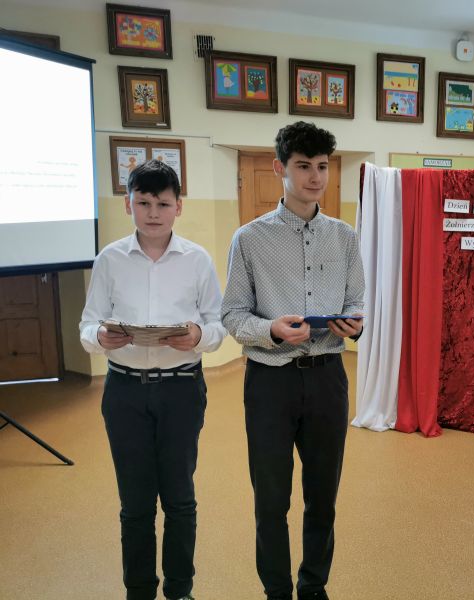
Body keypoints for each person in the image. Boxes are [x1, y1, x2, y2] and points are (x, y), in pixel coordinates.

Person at [222, 121, 365, 600]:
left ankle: (313, 586)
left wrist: (354, 323)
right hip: (270, 381)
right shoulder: (249, 239)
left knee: (323, 497)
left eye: (322, 166)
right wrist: (271, 330)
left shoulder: (344, 237)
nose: (315, 177)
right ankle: (277, 591)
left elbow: (356, 302)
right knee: (271, 500)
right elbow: (233, 314)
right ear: (279, 168)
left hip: (328, 378)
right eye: (304, 166)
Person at [79, 159, 226, 600]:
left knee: (180, 498)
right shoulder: (110, 259)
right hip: (124, 391)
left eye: (163, 203)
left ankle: (180, 590)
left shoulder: (197, 260)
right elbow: (88, 325)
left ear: (178, 206)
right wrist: (101, 336)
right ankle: (139, 590)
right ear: (129, 204)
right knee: (135, 503)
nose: (153, 213)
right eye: (143, 203)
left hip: (182, 388)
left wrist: (198, 335)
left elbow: (217, 325)